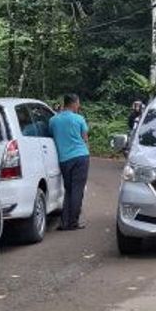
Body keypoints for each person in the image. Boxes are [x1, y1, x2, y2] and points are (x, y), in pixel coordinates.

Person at [50, 93, 91, 231]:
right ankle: (73, 222)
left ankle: (64, 222)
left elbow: (52, 135)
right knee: (77, 190)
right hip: (80, 157)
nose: (79, 106)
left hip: (64, 159)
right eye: (78, 103)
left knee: (69, 190)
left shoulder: (53, 120)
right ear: (73, 103)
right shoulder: (79, 119)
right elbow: (85, 138)